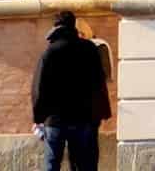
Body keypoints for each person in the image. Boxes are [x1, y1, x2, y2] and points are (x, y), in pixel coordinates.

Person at [31, 10, 111, 171]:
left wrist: (38, 117)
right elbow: (99, 83)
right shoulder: (89, 49)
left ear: (56, 26)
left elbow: (39, 88)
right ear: (73, 25)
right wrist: (102, 112)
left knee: (52, 164)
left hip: (55, 120)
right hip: (84, 118)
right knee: (85, 165)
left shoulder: (50, 52)